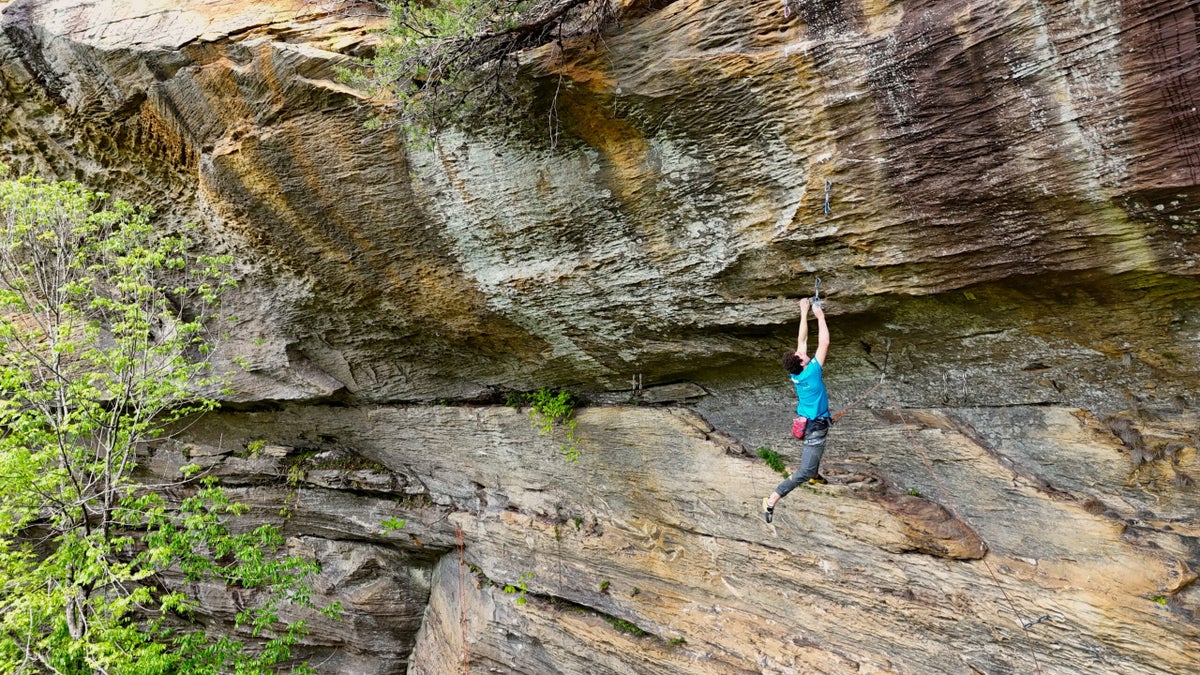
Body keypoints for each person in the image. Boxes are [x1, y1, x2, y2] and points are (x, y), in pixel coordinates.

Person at [762, 297, 831, 523]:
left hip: (809, 421)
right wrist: (819, 316)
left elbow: (802, 340)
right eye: (801, 355)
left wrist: (803, 312)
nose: (802, 352)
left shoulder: (796, 372)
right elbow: (824, 343)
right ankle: (772, 500)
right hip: (814, 428)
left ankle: (814, 475)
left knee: (813, 460)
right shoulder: (811, 372)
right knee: (803, 471)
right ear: (801, 363)